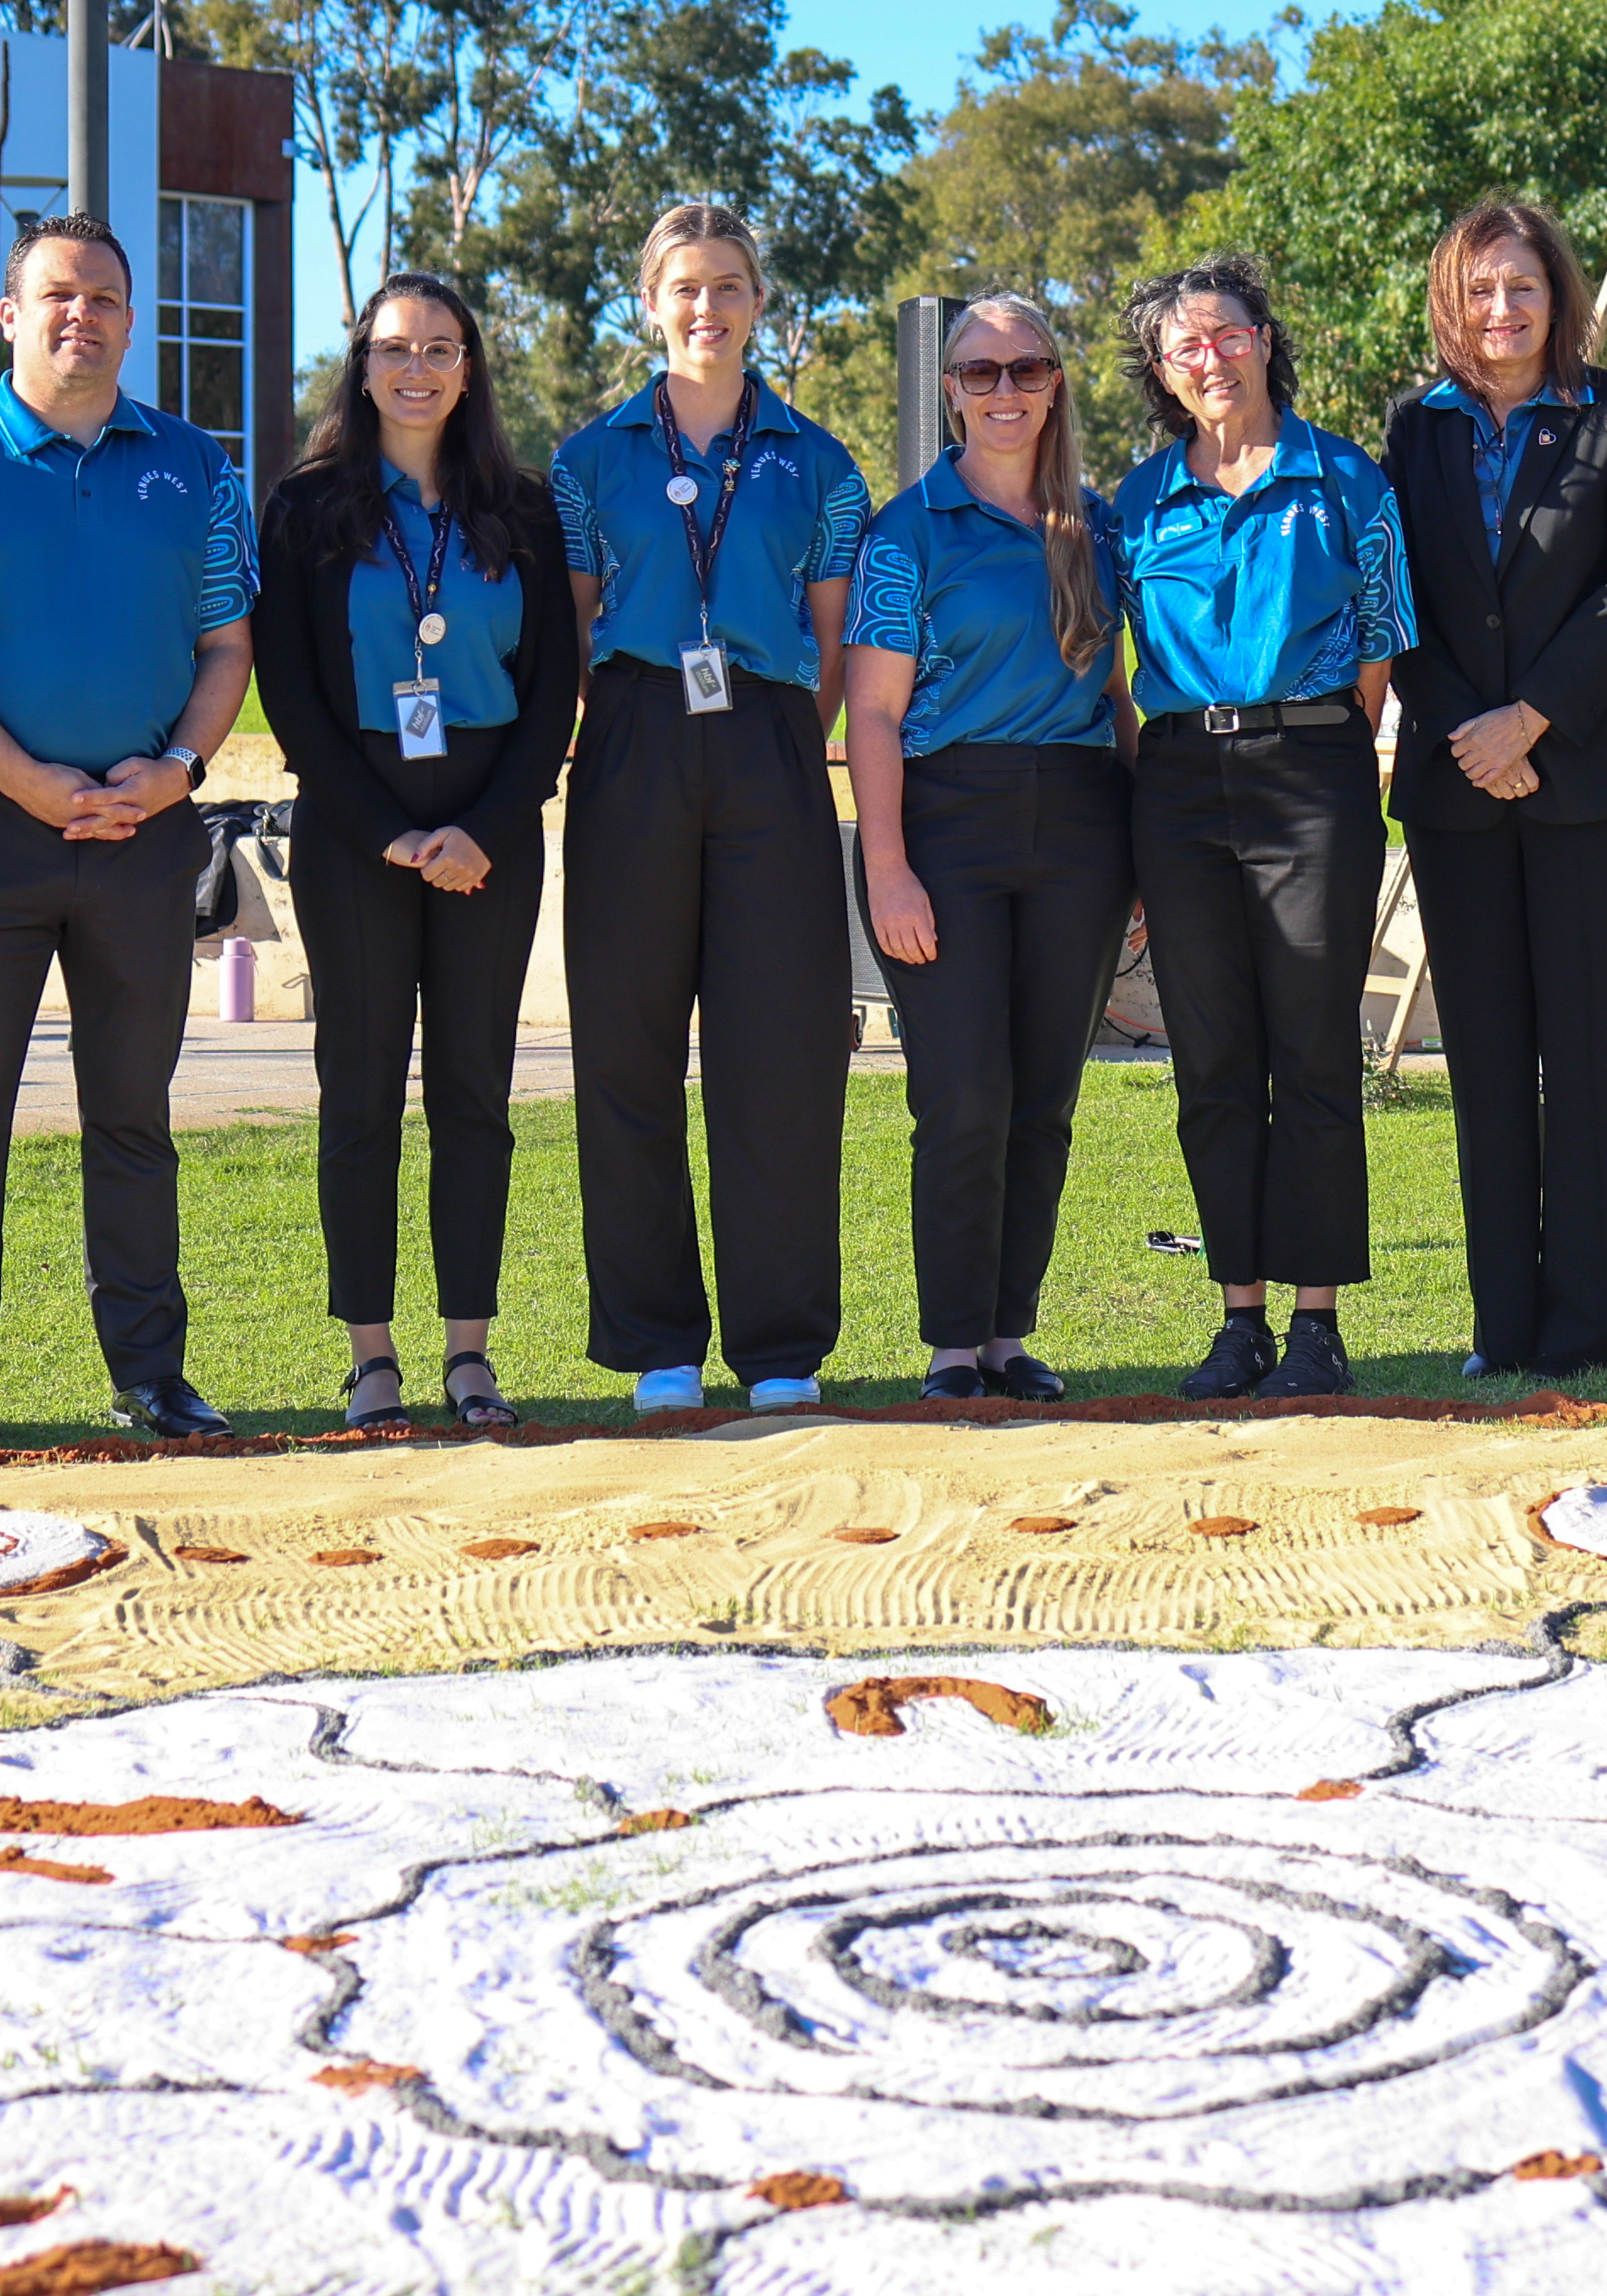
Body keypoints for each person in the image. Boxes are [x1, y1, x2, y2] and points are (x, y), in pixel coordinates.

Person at [0, 213, 257, 1454]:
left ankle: (151, 1375)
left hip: (147, 832)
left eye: (104, 298)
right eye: (57, 295)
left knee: (133, 1116)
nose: (80, 315)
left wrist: (180, 769)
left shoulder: (197, 466)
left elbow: (227, 645)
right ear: (13, 311)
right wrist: (27, 780)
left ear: (131, 321)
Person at [551, 202, 872, 1416]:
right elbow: (576, 623)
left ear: (757, 301)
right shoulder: (588, 461)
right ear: (649, 302)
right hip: (632, 735)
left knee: (781, 1052)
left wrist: (782, 729)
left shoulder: (820, 461)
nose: (707, 307)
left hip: (774, 743)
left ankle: (782, 1348)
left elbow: (836, 640)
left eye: (729, 285)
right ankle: (658, 1346)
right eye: (684, 287)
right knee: (626, 1049)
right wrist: (630, 723)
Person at [249, 274, 579, 1431]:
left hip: (489, 826)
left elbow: (552, 696)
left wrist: (481, 831)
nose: (419, 368)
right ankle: (374, 1357)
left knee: (475, 1097)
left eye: (442, 348)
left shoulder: (524, 510)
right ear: (363, 365)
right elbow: (287, 690)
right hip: (355, 828)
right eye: (396, 348)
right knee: (361, 1097)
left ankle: (471, 1355)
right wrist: (389, 832)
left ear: (472, 367)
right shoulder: (303, 510)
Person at [1380, 202, 1607, 1380]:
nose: (1500, 310)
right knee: (1491, 1064)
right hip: (1461, 790)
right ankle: (1504, 1328)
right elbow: (1393, 593)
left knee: (1600, 1061)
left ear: (1558, 296)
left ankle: (1596, 1330)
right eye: (1478, 290)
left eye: (1521, 287)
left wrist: (1532, 717)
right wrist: (1470, 729)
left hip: (1590, 782)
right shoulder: (1414, 429)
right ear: (1450, 306)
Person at [1113, 252, 1416, 1401]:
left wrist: (1331, 750)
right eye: (1185, 346)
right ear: (1161, 371)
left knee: (1314, 1048)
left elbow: (1381, 643)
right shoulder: (1135, 504)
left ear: (1265, 339)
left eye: (1228, 335)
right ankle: (1238, 1313)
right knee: (1214, 1058)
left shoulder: (1346, 482)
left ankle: (1318, 1319)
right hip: (1181, 780)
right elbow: (1114, 659)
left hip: (1314, 767)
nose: (1211, 358)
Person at [846, 292, 1133, 1403]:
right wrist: (886, 866)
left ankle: (1012, 1333)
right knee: (961, 1093)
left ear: (1056, 382)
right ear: (951, 392)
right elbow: (871, 714)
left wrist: (1142, 854)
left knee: (1045, 1096)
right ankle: (955, 1343)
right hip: (947, 825)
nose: (1004, 389)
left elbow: (1115, 695)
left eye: (1026, 368)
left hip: (1080, 823)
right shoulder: (907, 530)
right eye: (979, 373)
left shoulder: (1096, 526)